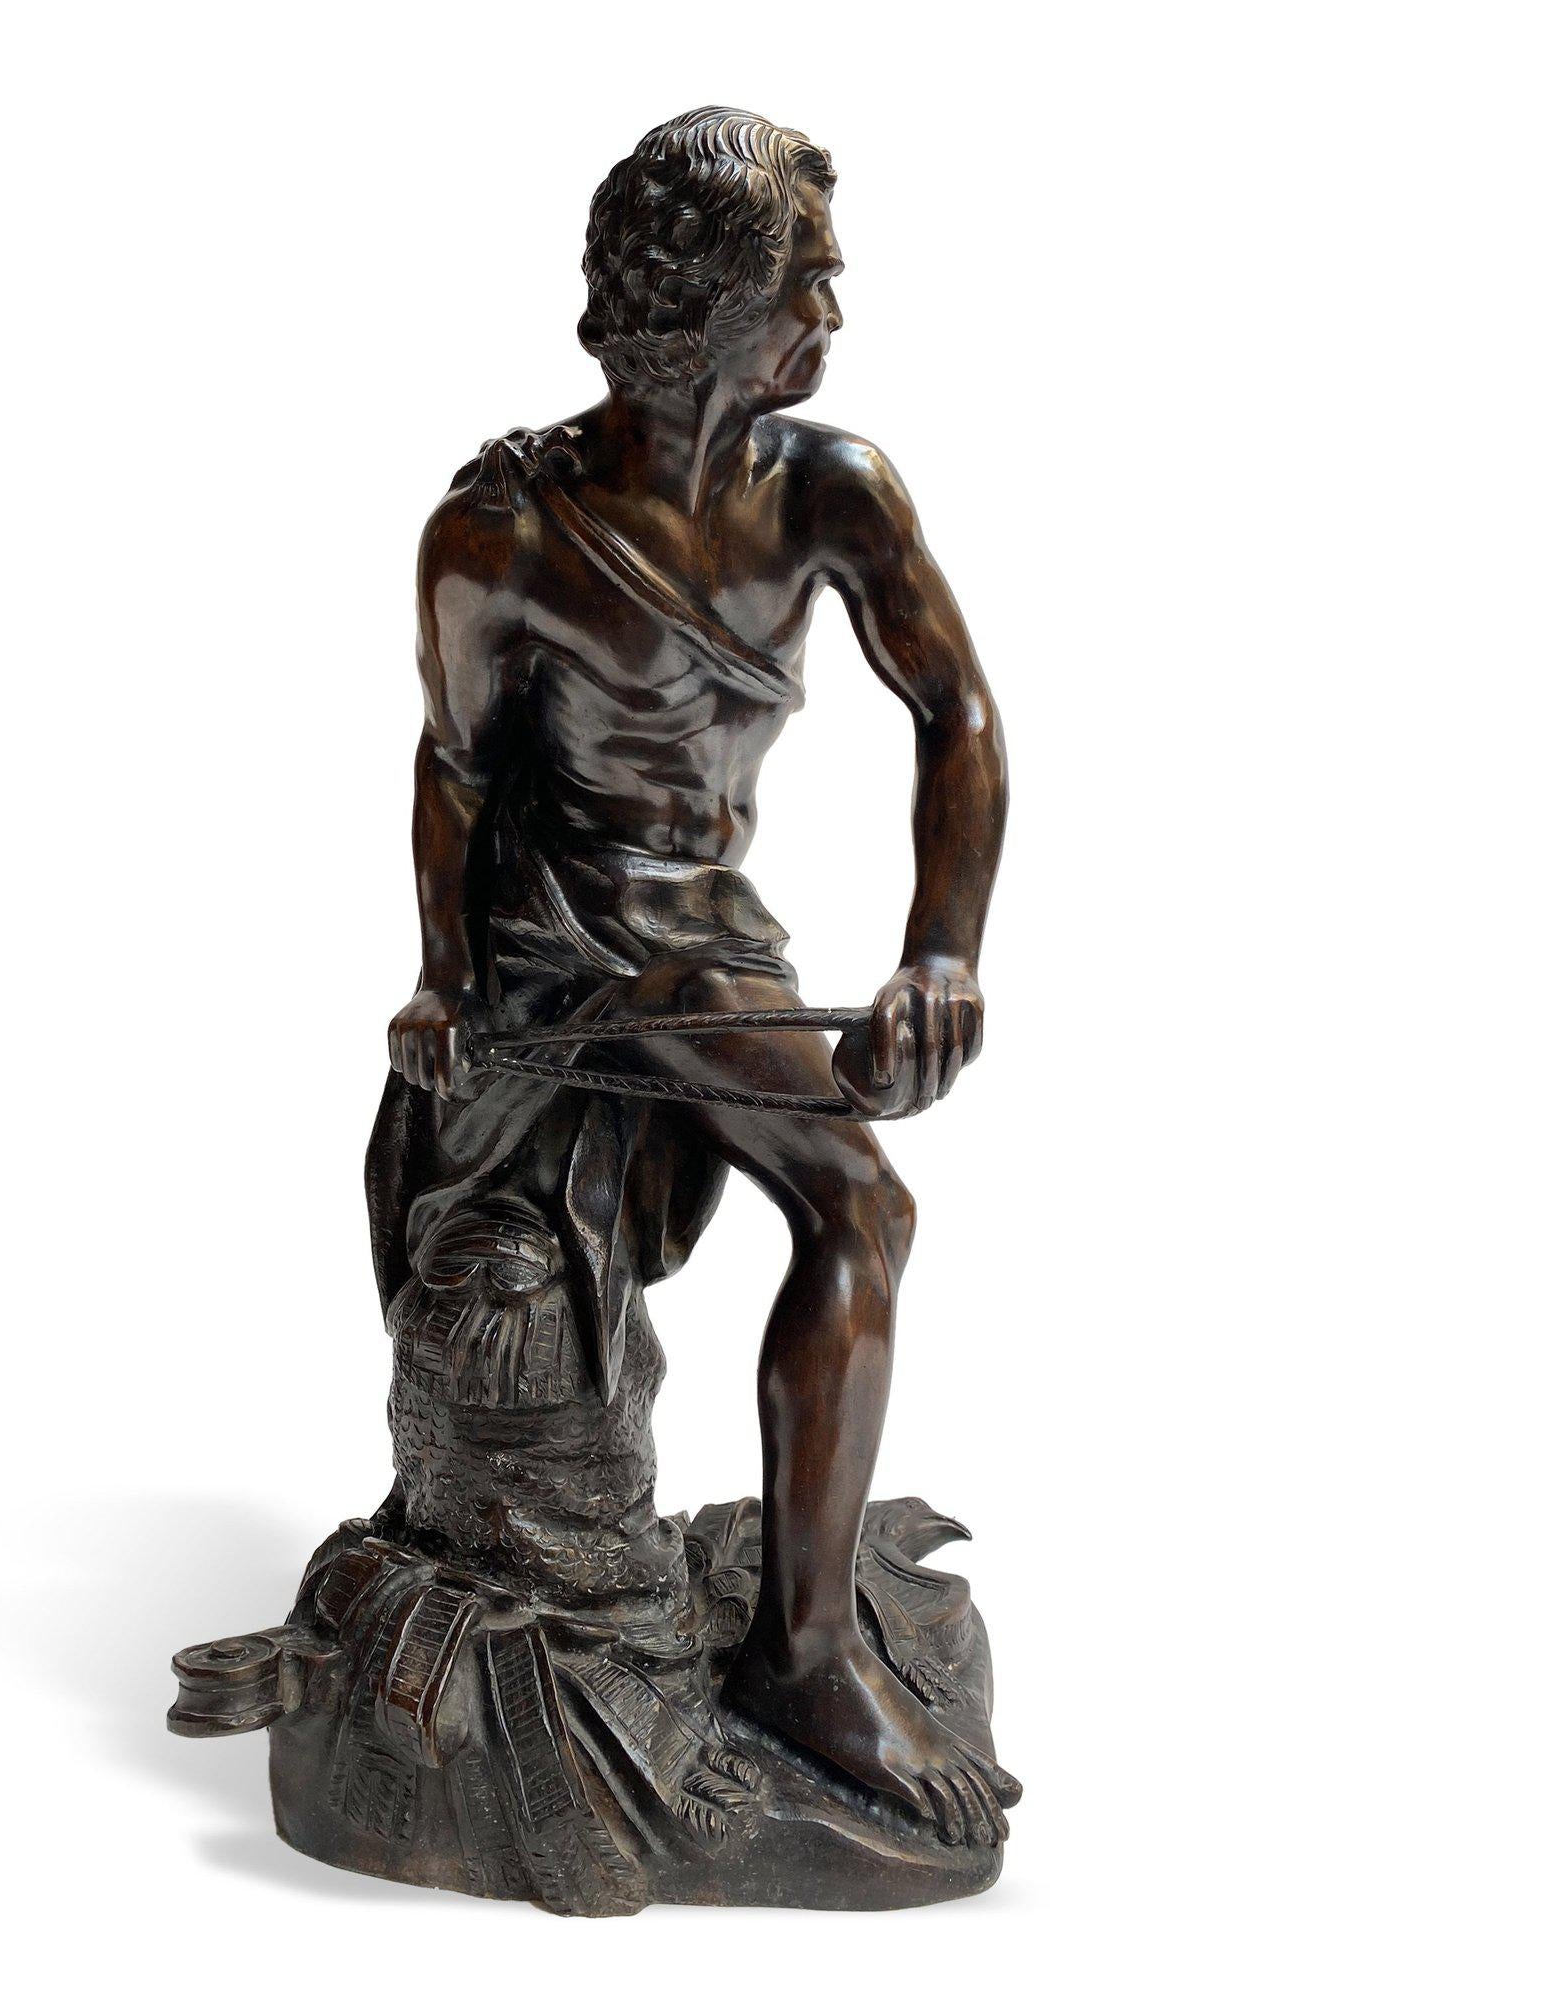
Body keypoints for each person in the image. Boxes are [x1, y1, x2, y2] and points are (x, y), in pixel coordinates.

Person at [374, 107, 1016, 1839]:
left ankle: (806, 1637)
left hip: (711, 934)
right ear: (712, 302)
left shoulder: (830, 490)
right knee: (862, 1205)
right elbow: (457, 769)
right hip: (565, 947)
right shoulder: (503, 531)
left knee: (858, 1199)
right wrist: (443, 979)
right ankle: (806, 1659)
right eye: (809, 280)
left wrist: (939, 953)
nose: (834, 314)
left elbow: (955, 712)